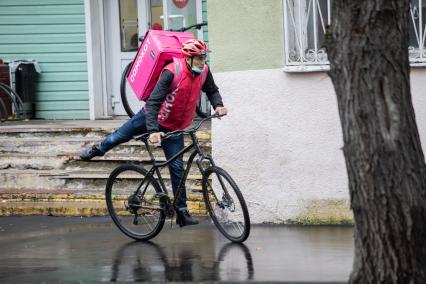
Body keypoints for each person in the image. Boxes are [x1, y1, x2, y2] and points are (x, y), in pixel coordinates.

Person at [80, 39, 227, 227]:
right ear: (188, 59)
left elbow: (212, 90)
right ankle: (97, 150)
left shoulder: (204, 71)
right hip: (151, 119)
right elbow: (153, 103)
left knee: (177, 169)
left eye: (204, 57)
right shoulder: (171, 72)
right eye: (199, 58)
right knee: (119, 136)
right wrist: (153, 131)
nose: (202, 61)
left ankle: (181, 212)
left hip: (175, 127)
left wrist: (219, 105)